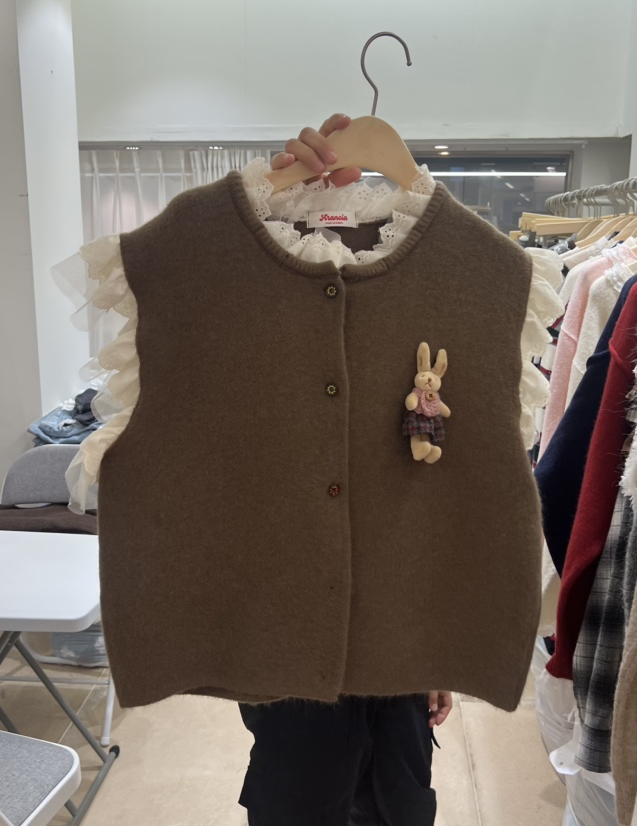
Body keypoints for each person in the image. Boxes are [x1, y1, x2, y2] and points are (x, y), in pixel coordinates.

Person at [236, 113, 453, 826]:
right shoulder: (247, 286)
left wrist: (436, 650)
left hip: (398, 644)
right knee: (299, 794)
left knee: (397, 798)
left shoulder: (447, 279)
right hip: (289, 640)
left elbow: (444, 494)